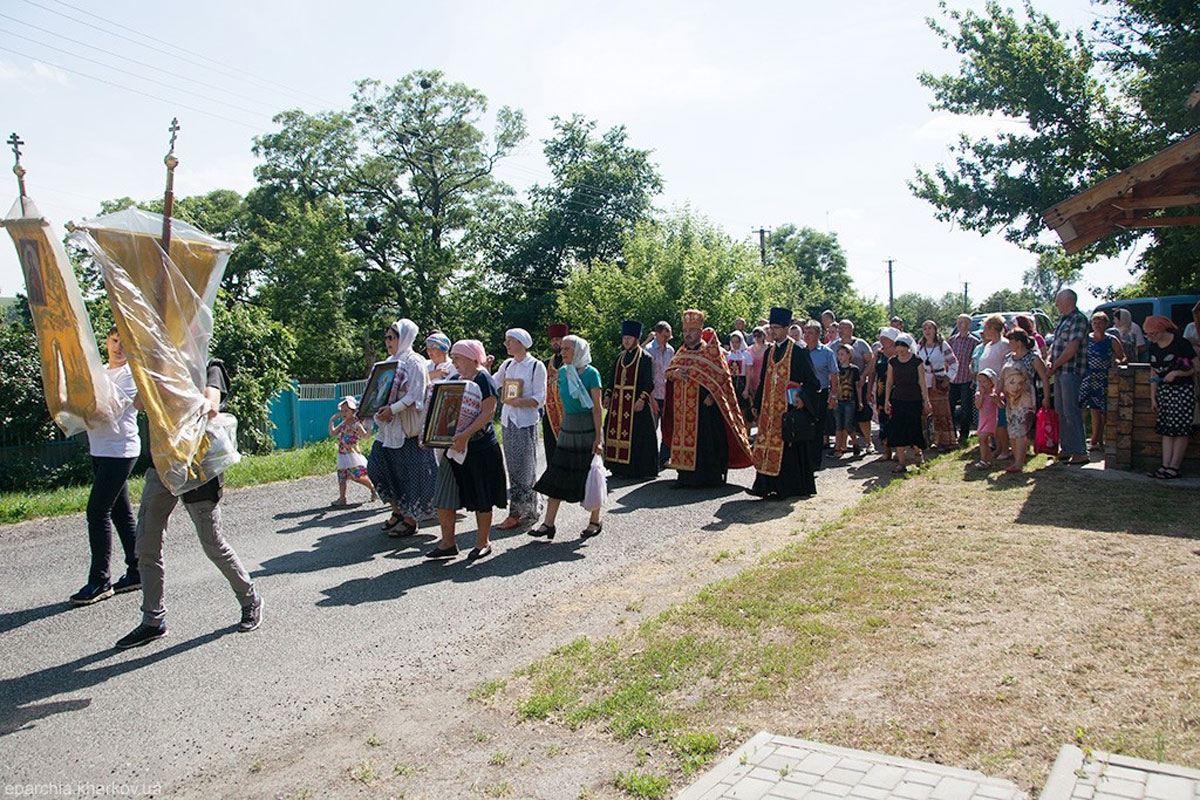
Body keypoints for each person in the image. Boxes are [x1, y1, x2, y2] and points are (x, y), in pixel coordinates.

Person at [115, 359, 261, 649]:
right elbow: (141, 404)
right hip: (164, 466)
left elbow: (211, 406)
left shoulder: (209, 366)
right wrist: (152, 374)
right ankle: (153, 621)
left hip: (198, 469)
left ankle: (250, 598)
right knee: (146, 544)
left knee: (212, 544)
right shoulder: (157, 366)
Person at [72, 326, 141, 606]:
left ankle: (100, 581)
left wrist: (83, 399)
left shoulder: (131, 376)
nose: (118, 347)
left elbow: (107, 410)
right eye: (114, 341)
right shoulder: (98, 371)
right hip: (99, 450)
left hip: (121, 450)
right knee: (121, 513)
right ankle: (137, 571)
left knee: (97, 511)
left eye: (124, 343)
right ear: (106, 341)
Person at [427, 340, 508, 559]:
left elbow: (488, 413)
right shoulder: (454, 379)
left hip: (480, 447)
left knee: (482, 495)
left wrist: (465, 435)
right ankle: (448, 543)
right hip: (453, 449)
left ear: (473, 359)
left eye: (458, 358)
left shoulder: (483, 378)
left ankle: (483, 542)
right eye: (453, 358)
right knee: (445, 494)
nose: (455, 363)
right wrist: (430, 434)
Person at [662, 309, 755, 487]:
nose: (687, 335)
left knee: (706, 441)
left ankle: (708, 477)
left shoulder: (710, 352)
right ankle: (684, 477)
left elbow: (723, 378)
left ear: (699, 332)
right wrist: (674, 373)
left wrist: (713, 396)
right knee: (683, 439)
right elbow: (668, 373)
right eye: (685, 331)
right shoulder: (680, 352)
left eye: (691, 331)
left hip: (705, 408)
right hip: (682, 408)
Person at [530, 335, 605, 539]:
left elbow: (597, 409)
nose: (562, 353)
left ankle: (595, 521)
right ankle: (548, 524)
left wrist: (599, 438)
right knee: (558, 473)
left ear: (579, 350)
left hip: (587, 428)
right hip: (568, 427)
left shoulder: (592, 374)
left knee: (590, 474)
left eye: (567, 349)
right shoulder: (562, 372)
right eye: (562, 349)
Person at [367, 319, 436, 537]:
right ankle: (397, 511)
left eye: (392, 337)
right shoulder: (388, 362)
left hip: (406, 428)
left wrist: (393, 408)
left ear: (405, 337)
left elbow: (416, 394)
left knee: (409, 475)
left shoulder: (414, 361)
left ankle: (409, 520)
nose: (388, 341)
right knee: (377, 467)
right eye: (386, 337)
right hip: (388, 428)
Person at [747, 306, 820, 499]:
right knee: (765, 445)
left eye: (777, 327)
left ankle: (785, 487)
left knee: (787, 449)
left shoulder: (798, 350)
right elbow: (763, 380)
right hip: (768, 410)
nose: (773, 331)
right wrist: (756, 403)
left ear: (787, 328)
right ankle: (763, 485)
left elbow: (813, 382)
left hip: (787, 410)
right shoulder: (769, 352)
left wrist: (802, 399)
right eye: (771, 327)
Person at [493, 328, 548, 531]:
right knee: (513, 467)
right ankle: (523, 509)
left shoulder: (536, 366)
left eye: (510, 341)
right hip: (508, 422)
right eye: (506, 340)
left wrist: (519, 402)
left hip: (525, 422)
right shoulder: (507, 365)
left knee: (525, 467)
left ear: (521, 343)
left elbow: (540, 398)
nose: (506, 344)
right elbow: (492, 382)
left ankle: (522, 511)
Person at [604, 320, 658, 479]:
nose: (626, 340)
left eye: (629, 338)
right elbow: (612, 379)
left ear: (637, 338)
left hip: (636, 403)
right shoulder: (619, 357)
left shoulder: (646, 358)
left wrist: (642, 399)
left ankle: (638, 470)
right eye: (624, 337)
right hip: (617, 405)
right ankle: (618, 467)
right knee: (612, 430)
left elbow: (649, 382)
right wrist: (607, 395)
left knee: (639, 435)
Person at [1145, 316, 1195, 479]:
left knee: (1180, 430)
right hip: (1164, 392)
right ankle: (1165, 465)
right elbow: (1153, 371)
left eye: (1152, 333)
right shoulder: (1153, 347)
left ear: (1162, 330)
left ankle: (1174, 466)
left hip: (1183, 391)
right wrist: (1153, 397)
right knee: (1166, 430)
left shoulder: (1182, 343)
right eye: (1147, 334)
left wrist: (1177, 373)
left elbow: (1196, 367)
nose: (1150, 337)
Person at [1047, 289, 1090, 465]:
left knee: (1072, 411)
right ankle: (1067, 448)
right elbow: (1055, 345)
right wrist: (1050, 361)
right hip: (1059, 372)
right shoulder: (1062, 320)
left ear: (1068, 301)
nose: (1056, 305)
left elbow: (1072, 348)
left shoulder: (1078, 319)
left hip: (1071, 372)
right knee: (1061, 412)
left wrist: (1055, 365)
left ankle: (1080, 451)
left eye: (1059, 301)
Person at [884, 333, 931, 473]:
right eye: (898, 351)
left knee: (915, 427)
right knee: (898, 430)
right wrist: (887, 400)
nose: (900, 353)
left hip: (914, 399)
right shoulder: (892, 361)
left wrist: (926, 400)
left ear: (908, 347)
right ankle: (901, 463)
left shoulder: (917, 361)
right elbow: (889, 382)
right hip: (898, 399)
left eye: (902, 350)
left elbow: (922, 382)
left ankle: (918, 456)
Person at [1079, 311, 1126, 449]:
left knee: (1100, 409)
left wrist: (1119, 361)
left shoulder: (1111, 340)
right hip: (1087, 376)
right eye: (1094, 322)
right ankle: (1084, 440)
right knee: (1085, 408)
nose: (1097, 325)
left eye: (1100, 322)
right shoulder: (1086, 339)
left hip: (1103, 377)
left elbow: (1123, 357)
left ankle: (1097, 439)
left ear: (1106, 324)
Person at [801, 320, 839, 464]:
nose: (807, 335)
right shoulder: (800, 352)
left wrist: (833, 395)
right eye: (805, 332)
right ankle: (804, 460)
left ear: (818, 335)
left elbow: (834, 375)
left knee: (818, 427)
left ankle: (815, 461)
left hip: (820, 394)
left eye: (810, 333)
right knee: (804, 425)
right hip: (803, 394)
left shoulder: (827, 353)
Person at [916, 319, 958, 450]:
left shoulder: (942, 345)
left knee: (941, 412)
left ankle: (944, 441)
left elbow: (954, 363)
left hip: (938, 381)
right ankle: (927, 441)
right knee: (924, 411)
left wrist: (948, 378)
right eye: (925, 329)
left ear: (935, 330)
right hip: (923, 380)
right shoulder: (920, 346)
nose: (927, 331)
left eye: (930, 328)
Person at [328, 396, 376, 506]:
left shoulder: (356, 424)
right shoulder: (343, 424)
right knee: (342, 477)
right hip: (343, 454)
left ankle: (372, 488)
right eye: (342, 411)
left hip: (352, 455)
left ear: (353, 411)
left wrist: (369, 428)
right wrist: (331, 421)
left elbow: (365, 436)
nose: (343, 413)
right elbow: (332, 433)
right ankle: (342, 498)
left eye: (346, 410)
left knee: (357, 476)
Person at [835, 320, 875, 451]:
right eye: (839, 328)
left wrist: (863, 376)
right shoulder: (834, 345)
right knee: (844, 416)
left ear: (851, 329)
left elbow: (871, 361)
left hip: (859, 383)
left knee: (862, 415)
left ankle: (869, 442)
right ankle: (844, 444)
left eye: (844, 328)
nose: (840, 330)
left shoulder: (860, 344)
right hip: (842, 387)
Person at [977, 314, 1012, 461]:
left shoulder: (1004, 344)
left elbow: (1006, 367)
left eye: (985, 328)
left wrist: (999, 388)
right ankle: (997, 447)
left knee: (1001, 421)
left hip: (998, 388)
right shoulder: (988, 345)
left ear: (993, 328)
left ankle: (1005, 449)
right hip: (986, 389)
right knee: (992, 420)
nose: (983, 331)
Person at [946, 314, 980, 446]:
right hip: (952, 379)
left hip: (966, 379)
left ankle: (964, 433)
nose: (960, 325)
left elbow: (974, 361)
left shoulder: (974, 342)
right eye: (958, 322)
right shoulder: (952, 341)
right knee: (950, 407)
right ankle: (951, 432)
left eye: (963, 322)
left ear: (969, 325)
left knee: (966, 408)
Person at [644, 321, 675, 468]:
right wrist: (651, 398)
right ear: (657, 334)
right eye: (664, 336)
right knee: (651, 427)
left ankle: (663, 458)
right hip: (654, 395)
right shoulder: (649, 350)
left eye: (668, 337)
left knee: (667, 427)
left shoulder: (670, 350)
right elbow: (647, 377)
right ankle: (649, 458)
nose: (667, 339)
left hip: (667, 394)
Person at [833, 344, 866, 455]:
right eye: (838, 354)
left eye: (842, 354)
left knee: (848, 424)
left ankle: (855, 443)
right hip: (838, 399)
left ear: (849, 355)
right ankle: (838, 448)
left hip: (850, 400)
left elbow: (857, 386)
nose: (840, 357)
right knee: (838, 424)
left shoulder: (854, 369)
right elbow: (833, 384)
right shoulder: (836, 368)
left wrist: (860, 401)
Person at [872, 327, 900, 460]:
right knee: (883, 419)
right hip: (881, 390)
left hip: (897, 389)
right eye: (881, 338)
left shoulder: (899, 352)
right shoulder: (879, 353)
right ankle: (886, 449)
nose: (882, 340)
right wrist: (868, 390)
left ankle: (899, 449)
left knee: (896, 419)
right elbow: (872, 371)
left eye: (886, 338)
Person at [542, 323, 568, 463]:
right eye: (553, 340)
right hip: (550, 412)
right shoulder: (546, 364)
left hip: (568, 410)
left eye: (558, 339)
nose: (555, 342)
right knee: (551, 445)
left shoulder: (572, 362)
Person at [726, 330, 754, 425]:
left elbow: (749, 373)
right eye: (733, 342)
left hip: (742, 382)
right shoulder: (728, 356)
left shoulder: (746, 355)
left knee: (745, 410)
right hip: (732, 382)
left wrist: (746, 389)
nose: (735, 344)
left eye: (737, 342)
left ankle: (747, 432)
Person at [973, 369, 999, 469]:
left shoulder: (994, 395)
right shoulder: (979, 395)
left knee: (982, 438)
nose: (981, 384)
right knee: (983, 441)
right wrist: (982, 395)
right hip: (983, 421)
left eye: (984, 381)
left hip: (991, 421)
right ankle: (989, 460)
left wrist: (997, 400)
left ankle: (983, 460)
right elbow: (978, 406)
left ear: (991, 382)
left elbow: (1001, 406)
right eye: (979, 381)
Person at [745, 327, 769, 429]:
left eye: (759, 335)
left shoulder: (769, 348)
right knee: (753, 406)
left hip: (764, 379)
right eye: (755, 336)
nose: (757, 338)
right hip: (752, 379)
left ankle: (761, 430)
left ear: (764, 336)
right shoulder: (749, 349)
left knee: (763, 406)